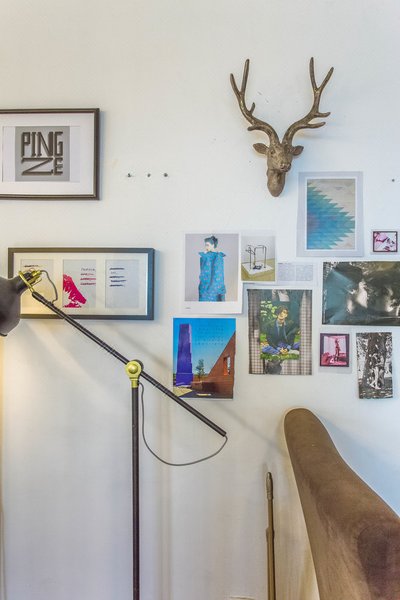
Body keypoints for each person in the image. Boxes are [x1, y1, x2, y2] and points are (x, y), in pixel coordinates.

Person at [198, 235, 226, 301]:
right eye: (205, 245)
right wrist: (204, 256)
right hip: (205, 286)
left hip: (215, 286)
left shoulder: (219, 256)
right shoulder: (204, 255)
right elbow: (203, 269)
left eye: (207, 245)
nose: (206, 247)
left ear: (213, 245)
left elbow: (219, 273)